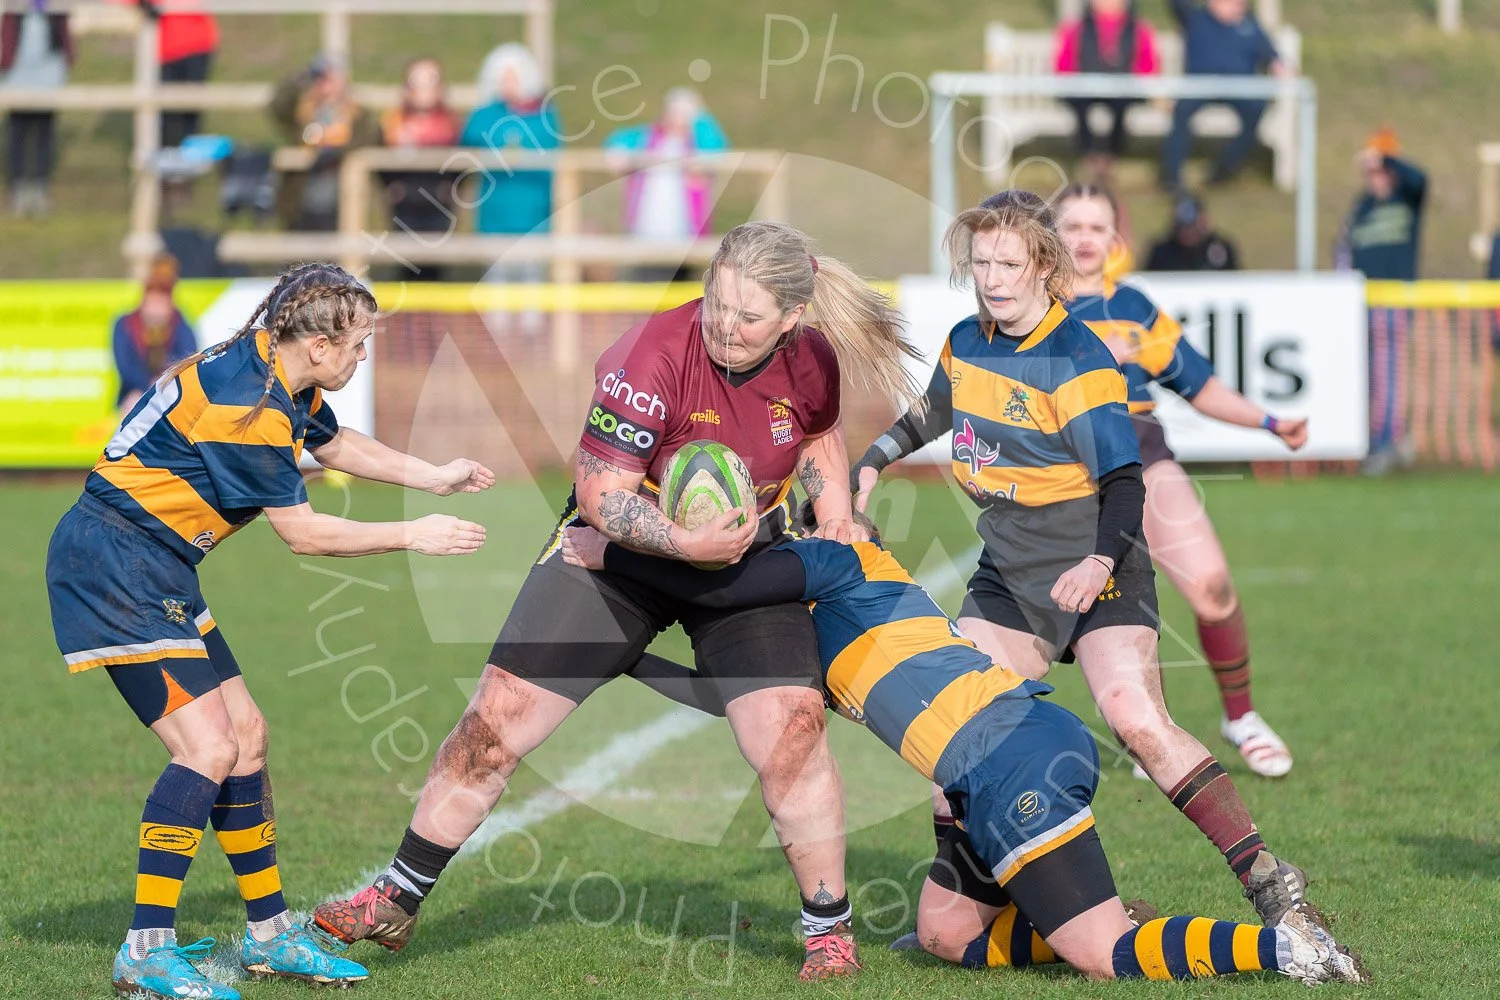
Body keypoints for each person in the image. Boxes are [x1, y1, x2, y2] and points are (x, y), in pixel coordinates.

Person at [312, 222, 923, 981]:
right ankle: (396, 897)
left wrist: (833, 513)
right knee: (496, 720)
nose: (726, 327)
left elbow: (819, 433)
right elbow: (603, 497)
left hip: (745, 565)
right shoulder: (652, 355)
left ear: (792, 318)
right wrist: (686, 542)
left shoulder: (813, 359)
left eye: (749, 317)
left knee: (792, 731)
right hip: (614, 557)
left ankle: (828, 932)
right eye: (717, 304)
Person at [557, 510, 1364, 985]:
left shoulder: (843, 559)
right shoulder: (822, 633)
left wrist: (617, 554)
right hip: (995, 766)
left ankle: (1288, 950)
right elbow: (728, 696)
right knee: (945, 935)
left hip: (1013, 754)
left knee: (1102, 954)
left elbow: (730, 585)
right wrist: (627, 660)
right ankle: (1095, 912)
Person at [850, 191, 1328, 934]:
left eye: (1009, 264)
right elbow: (932, 412)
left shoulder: (1078, 358)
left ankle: (1269, 882)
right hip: (1012, 573)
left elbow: (1126, 482)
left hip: (1099, 561)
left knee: (1135, 717)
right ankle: (970, 910)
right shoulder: (967, 341)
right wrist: (873, 461)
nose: (992, 279)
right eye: (982, 263)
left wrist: (1100, 563)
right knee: (955, 727)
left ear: (1045, 267)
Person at [45, 262, 495, 1000]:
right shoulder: (246, 408)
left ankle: (270, 934)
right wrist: (415, 532)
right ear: (317, 345)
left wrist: (433, 474)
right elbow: (305, 535)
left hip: (155, 563)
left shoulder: (272, 368)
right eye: (357, 344)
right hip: (114, 563)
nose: (362, 356)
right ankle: (144, 951)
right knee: (208, 747)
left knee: (246, 735)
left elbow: (335, 444)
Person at [1057, 183, 1302, 776]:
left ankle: (1241, 717)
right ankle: (1149, 731)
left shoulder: (1134, 308)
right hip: (1061, 471)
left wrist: (1271, 423)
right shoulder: (1030, 307)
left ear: (1115, 238)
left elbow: (1200, 385)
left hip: (1141, 453)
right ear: (1049, 235)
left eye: (1097, 227)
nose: (1085, 239)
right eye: (1072, 226)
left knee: (1213, 587)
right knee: (1111, 618)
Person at [1337, 127, 1427, 473]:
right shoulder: (1362, 206)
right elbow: (1344, 248)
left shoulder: (1407, 198)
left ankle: (1386, 442)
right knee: (1365, 376)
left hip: (1392, 302)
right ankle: (1371, 440)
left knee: (1386, 375)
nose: (1374, 177)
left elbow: (1421, 178)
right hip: (1361, 303)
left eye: (1380, 170)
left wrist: (1387, 157)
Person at [1160, 0, 1290, 190]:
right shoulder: (1196, 18)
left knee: (1256, 109)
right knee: (1181, 111)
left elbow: (1270, 55)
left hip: (1239, 89)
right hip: (1198, 87)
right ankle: (1171, 178)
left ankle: (1224, 169)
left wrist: (1280, 67)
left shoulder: (1250, 26)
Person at [604, 87, 730, 263]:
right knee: (645, 270)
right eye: (675, 111)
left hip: (684, 229)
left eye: (686, 113)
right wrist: (617, 153)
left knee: (679, 272)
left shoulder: (698, 142)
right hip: (646, 224)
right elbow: (619, 140)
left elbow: (717, 148)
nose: (679, 118)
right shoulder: (649, 137)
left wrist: (701, 119)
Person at [269, 54, 380, 230]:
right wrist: (301, 77)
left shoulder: (359, 116)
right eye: (319, 80)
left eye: (330, 79)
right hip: (304, 204)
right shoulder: (302, 114)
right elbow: (279, 106)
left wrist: (336, 147)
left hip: (344, 201)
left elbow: (368, 140)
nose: (325, 85)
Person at [462, 43, 560, 238]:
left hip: (534, 209)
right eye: (504, 78)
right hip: (494, 210)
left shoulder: (543, 115)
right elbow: (467, 142)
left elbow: (551, 150)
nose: (509, 83)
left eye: (513, 77)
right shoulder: (485, 114)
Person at [1052, 0, 1159, 178]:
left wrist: (1140, 82)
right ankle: (1090, 156)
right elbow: (1064, 62)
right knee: (1080, 107)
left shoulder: (1138, 28)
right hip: (1085, 89)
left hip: (1123, 90)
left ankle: (1110, 157)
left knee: (1121, 108)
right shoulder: (1077, 27)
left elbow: (1147, 64)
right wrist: (1069, 80)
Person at [381, 57, 462, 279]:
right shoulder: (394, 123)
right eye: (417, 81)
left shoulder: (451, 124)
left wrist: (451, 187)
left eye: (430, 81)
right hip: (405, 204)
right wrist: (392, 186)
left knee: (437, 266)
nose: (424, 89)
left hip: (439, 204)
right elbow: (380, 157)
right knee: (406, 265)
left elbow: (463, 160)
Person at [1, 0, 73, 218]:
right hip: (18, 69)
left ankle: (40, 189)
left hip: (48, 70)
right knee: (18, 131)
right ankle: (18, 190)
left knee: (44, 131)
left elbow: (63, 26)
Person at [112, 253, 198, 416]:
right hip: (135, 394)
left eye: (161, 303)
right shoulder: (126, 324)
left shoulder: (179, 324)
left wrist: (163, 384)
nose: (156, 310)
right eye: (153, 303)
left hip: (170, 392)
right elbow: (126, 367)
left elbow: (188, 359)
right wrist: (150, 386)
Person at [138, 0, 220, 148]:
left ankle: (189, 154)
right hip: (165, 50)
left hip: (196, 44)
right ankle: (164, 153)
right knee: (163, 111)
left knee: (191, 108)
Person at [1145, 193, 1240, 271]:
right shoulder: (1161, 252)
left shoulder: (1222, 249)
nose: (1188, 232)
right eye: (1182, 227)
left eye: (1192, 226)